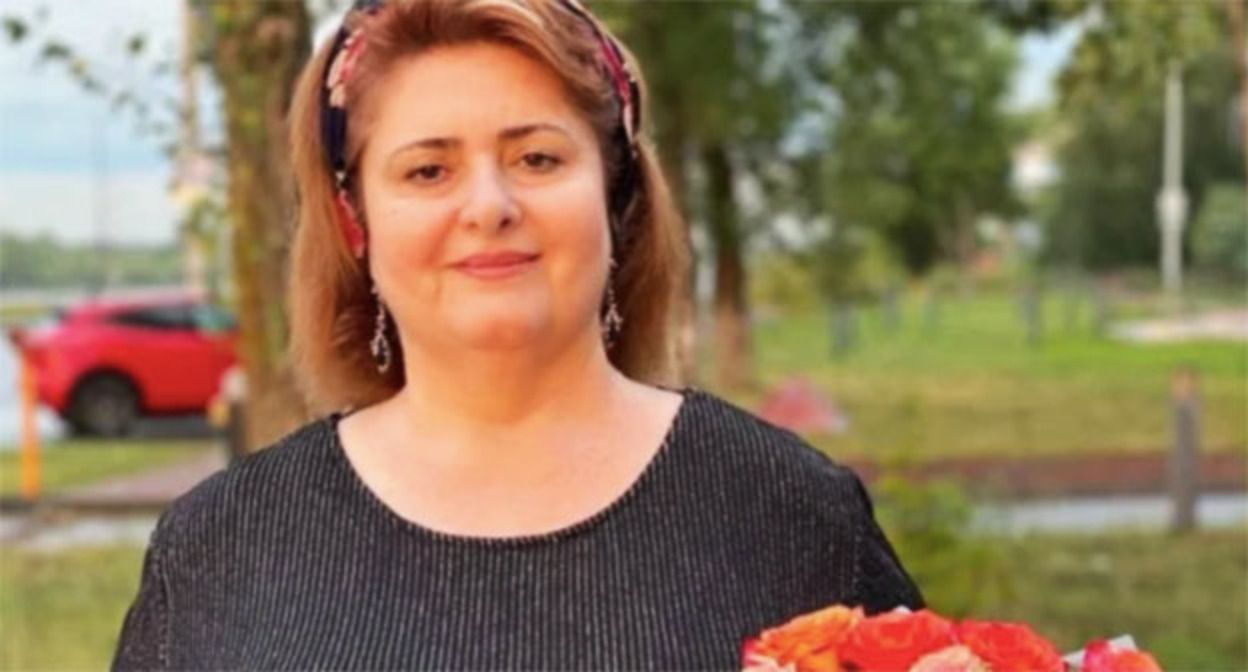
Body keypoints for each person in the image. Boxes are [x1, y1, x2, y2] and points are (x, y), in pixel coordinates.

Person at [112, 0, 923, 669]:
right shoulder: (224, 545)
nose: (489, 206)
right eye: (428, 170)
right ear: (355, 222)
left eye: (536, 158)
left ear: (616, 197)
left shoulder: (789, 511)